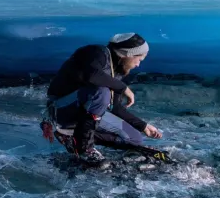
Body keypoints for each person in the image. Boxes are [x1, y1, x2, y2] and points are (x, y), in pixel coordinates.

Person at [42, 33, 163, 164]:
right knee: (101, 92)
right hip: (61, 109)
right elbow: (92, 76)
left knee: (135, 138)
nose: (138, 65)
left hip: (84, 114)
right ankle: (85, 149)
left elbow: (115, 107)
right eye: (139, 59)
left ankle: (70, 137)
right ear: (127, 54)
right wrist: (123, 88)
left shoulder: (116, 71)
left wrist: (143, 126)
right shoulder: (95, 52)